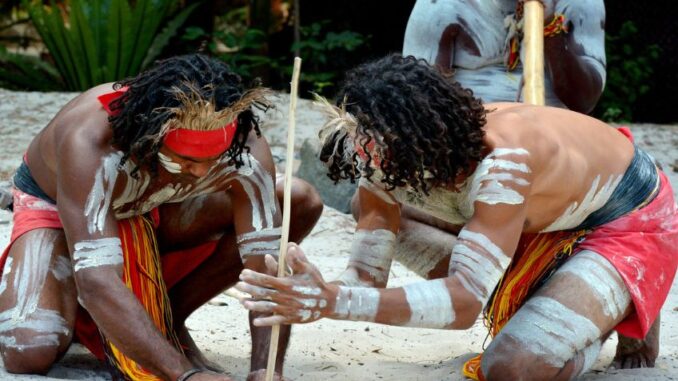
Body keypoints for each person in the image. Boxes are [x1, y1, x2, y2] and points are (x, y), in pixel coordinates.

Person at [235, 54, 677, 380]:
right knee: (372, 209)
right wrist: (306, 291)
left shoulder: (506, 163)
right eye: (363, 148)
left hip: (626, 217)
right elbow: (366, 281)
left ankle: (620, 301)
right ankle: (573, 295)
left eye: (380, 154)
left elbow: (464, 304)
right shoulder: (379, 155)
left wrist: (332, 302)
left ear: (418, 142)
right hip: (538, 221)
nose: (369, 166)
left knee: (511, 367)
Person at [0, 54, 323, 381]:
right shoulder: (92, 139)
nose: (200, 171)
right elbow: (96, 282)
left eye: (214, 159)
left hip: (155, 205)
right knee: (29, 348)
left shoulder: (245, 145)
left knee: (297, 200)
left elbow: (266, 270)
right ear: (154, 135)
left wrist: (266, 371)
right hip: (61, 206)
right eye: (186, 159)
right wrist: (185, 375)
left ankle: (169, 315)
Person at [403, 0, 606, 113]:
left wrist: (550, 29)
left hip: (555, 143)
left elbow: (584, 102)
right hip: (469, 139)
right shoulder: (441, 5)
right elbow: (420, 105)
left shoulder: (579, 4)